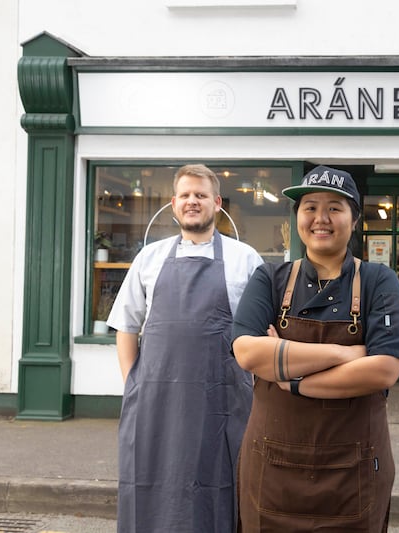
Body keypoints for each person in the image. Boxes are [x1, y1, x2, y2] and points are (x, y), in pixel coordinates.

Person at [231, 165, 399, 532]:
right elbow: (248, 353)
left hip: (354, 475)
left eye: (334, 208)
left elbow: (384, 369)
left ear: (355, 220)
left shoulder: (379, 281)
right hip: (272, 472)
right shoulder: (269, 279)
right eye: (310, 207)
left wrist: (291, 377)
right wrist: (345, 354)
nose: (321, 218)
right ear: (297, 217)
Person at [107, 164, 264, 533]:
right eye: (186, 195)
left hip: (222, 403)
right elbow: (127, 326)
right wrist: (134, 386)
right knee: (150, 483)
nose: (193, 201)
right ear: (174, 203)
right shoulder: (148, 258)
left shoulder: (245, 259)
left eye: (201, 195)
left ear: (217, 203)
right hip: (155, 404)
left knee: (222, 485)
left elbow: (260, 333)